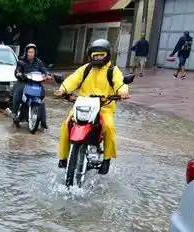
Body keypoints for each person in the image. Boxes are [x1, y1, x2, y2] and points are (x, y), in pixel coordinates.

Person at [54, 39, 130, 175]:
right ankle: (63, 158)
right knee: (66, 124)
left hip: (104, 108)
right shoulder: (86, 69)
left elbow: (119, 83)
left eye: (101, 55)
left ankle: (106, 160)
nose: (98, 57)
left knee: (109, 127)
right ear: (91, 56)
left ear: (107, 55)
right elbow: (72, 79)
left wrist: (122, 92)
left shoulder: (113, 71)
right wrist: (62, 89)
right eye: (95, 55)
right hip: (82, 105)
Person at [11, 43, 50, 129]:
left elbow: (44, 70)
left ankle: (43, 120)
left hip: (35, 82)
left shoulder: (38, 62)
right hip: (23, 81)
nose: (31, 53)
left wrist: (47, 75)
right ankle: (14, 113)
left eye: (33, 52)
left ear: (35, 53)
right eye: (29, 52)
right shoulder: (21, 61)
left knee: (42, 96)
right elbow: (17, 71)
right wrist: (20, 74)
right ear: (26, 52)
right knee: (18, 94)